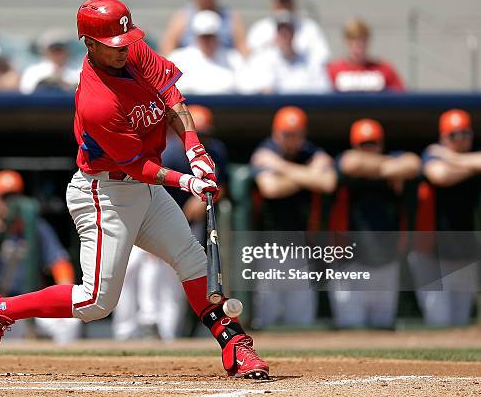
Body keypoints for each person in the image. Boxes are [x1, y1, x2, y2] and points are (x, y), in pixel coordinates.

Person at [0, 0, 269, 379]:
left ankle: (235, 345)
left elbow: (171, 94)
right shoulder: (96, 101)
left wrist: (194, 148)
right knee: (97, 302)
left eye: (126, 40)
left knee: (194, 262)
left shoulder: (132, 48)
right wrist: (186, 180)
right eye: (113, 45)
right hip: (104, 193)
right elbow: (137, 166)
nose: (123, 49)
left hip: (144, 189)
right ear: (89, 44)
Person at [113, 105, 229, 341]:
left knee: (172, 282)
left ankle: (165, 335)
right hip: (149, 220)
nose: (202, 140)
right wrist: (156, 232)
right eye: (198, 134)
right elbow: (149, 190)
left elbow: (223, 184)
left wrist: (206, 197)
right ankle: (130, 331)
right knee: (129, 271)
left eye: (205, 134)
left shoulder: (215, 151)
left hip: (189, 225)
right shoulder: (169, 153)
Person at [0, 170, 81, 343]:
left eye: (15, 196)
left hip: (32, 302)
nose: (11, 203)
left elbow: (59, 262)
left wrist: (64, 293)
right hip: (0, 304)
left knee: (70, 322)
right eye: (5, 197)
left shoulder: (36, 226)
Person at [328, 119, 420, 328]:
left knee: (384, 328)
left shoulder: (395, 160)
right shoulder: (347, 161)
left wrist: (380, 167)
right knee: (350, 330)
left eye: (374, 143)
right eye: (364, 144)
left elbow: (413, 164)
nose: (369, 148)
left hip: (386, 262)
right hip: (349, 264)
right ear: (355, 145)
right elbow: (352, 163)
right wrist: (388, 168)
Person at [250, 106, 336, 327]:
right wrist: (308, 176)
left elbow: (328, 182)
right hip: (268, 248)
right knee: (266, 319)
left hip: (302, 248)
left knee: (301, 320)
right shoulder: (266, 149)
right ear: (276, 132)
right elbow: (271, 188)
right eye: (286, 134)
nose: (292, 139)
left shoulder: (305, 152)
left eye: (296, 134)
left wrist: (280, 167)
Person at [408, 109, 481, 326]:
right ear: (443, 137)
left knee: (460, 320)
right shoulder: (431, 155)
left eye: (465, 133)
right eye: (453, 135)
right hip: (430, 253)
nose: (460, 139)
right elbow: (441, 175)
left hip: (464, 253)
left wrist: (454, 158)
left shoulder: (449, 155)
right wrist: (473, 166)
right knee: (439, 321)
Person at [237, 11, 330, 94]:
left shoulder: (309, 60)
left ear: (294, 34)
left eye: (288, 30)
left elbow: (323, 88)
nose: (285, 35)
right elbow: (254, 87)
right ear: (276, 34)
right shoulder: (266, 60)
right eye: (281, 31)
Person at [168, 10, 243, 95]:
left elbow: (244, 89)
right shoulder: (178, 59)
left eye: (210, 36)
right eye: (203, 36)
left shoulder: (233, 59)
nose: (207, 41)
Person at [247, 0, 330, 65]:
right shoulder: (260, 29)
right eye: (280, 2)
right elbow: (250, 57)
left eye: (287, 2)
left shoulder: (310, 28)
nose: (284, 6)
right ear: (273, 3)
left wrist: (295, 55)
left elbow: (322, 57)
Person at [160, 0, 248, 56]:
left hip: (223, 69)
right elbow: (167, 49)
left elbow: (243, 48)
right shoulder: (182, 17)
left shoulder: (230, 17)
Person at [328, 19, 404, 93]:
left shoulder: (384, 69)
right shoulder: (333, 70)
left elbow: (401, 97)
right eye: (352, 39)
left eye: (361, 39)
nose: (357, 44)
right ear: (346, 41)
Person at [20, 29, 81, 94]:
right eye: (54, 50)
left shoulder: (79, 70)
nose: (58, 54)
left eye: (60, 49)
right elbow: (26, 92)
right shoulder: (33, 71)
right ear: (46, 51)